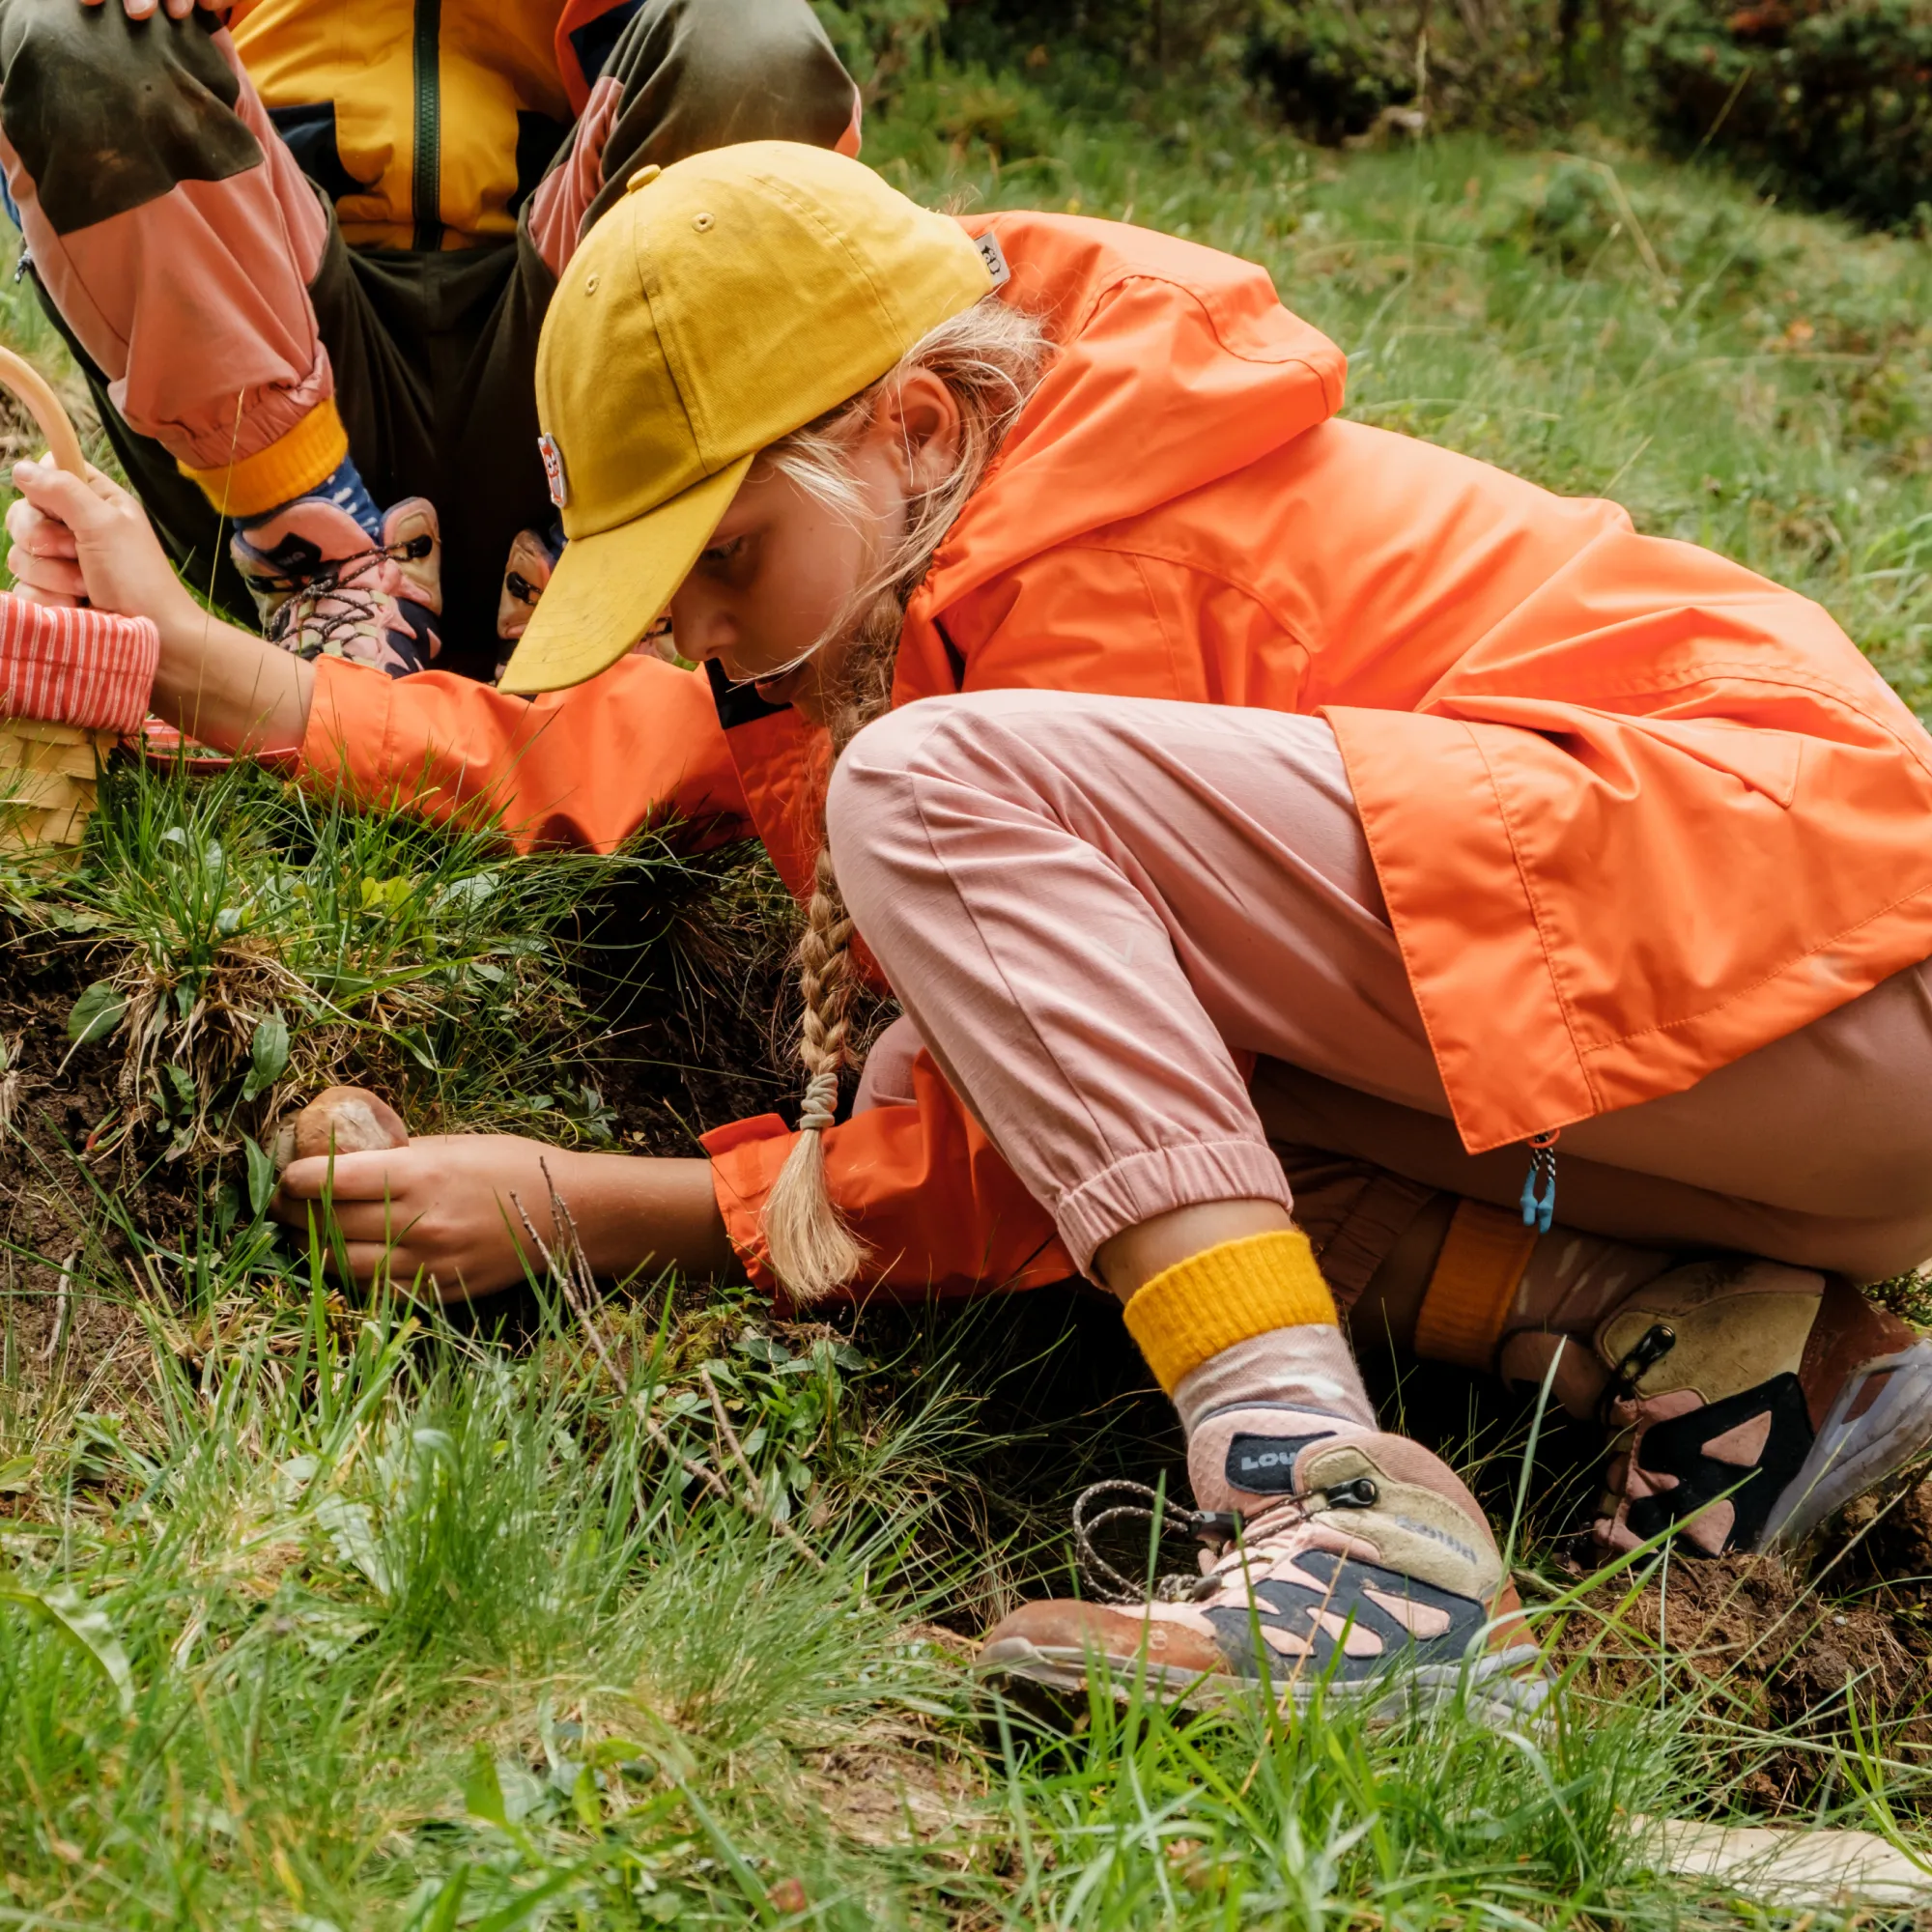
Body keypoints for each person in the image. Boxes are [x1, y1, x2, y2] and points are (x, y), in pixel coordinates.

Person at [14, 142, 1932, 1719]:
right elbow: (575, 745)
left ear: (911, 421)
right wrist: (204, 674)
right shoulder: (914, 555)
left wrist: (584, 1200)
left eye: (721, 565)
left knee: (932, 814)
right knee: (1132, 1061)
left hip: (1834, 961)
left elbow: (1007, 1160)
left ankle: (1338, 1517)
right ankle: (1729, 1341)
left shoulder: (1108, 567)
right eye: (665, 591)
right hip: (1772, 1078)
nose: (703, 634)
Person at [0, 0, 858, 680]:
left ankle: (624, 576)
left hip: (574, 379)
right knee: (75, 22)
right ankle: (315, 569)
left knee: (752, 38)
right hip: (263, 375)